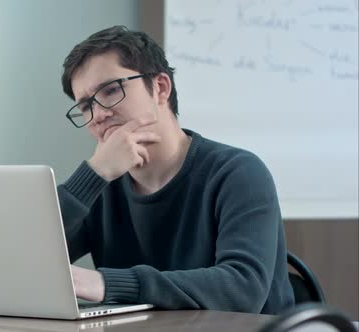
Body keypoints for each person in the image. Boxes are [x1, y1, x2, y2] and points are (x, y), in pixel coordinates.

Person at [57, 26, 294, 314]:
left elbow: (243, 289)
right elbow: (23, 258)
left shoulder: (238, 172)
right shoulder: (101, 185)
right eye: (85, 106)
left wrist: (108, 284)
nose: (98, 116)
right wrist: (93, 175)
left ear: (160, 88)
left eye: (110, 90)